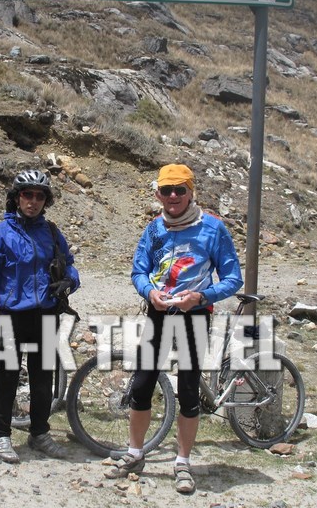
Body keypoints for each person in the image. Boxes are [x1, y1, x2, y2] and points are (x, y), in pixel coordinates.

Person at [105, 163, 243, 493]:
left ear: (191, 191)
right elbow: (139, 271)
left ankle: (182, 462)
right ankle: (135, 453)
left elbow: (233, 278)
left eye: (180, 189)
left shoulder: (213, 228)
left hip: (194, 316)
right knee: (141, 386)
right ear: (157, 194)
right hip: (158, 314)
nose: (173, 196)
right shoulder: (154, 230)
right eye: (166, 190)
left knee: (189, 391)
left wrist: (201, 296)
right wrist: (148, 291)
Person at [0, 169, 80, 463]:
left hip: (46, 314)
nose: (33, 201)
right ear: (16, 198)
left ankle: (40, 433)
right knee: (6, 377)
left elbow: (70, 265)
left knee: (43, 378)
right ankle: (2, 436)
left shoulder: (52, 233)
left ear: (46, 201)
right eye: (27, 194)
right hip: (10, 316)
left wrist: (70, 280)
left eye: (39, 196)